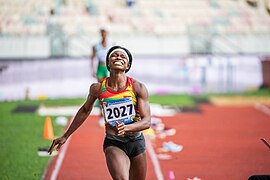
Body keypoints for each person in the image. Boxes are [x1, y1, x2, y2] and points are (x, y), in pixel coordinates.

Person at [48, 45, 151, 180]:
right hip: (114, 143)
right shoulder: (97, 89)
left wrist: (127, 127)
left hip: (136, 141)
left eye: (123, 56)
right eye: (114, 55)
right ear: (107, 63)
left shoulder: (138, 87)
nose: (118, 57)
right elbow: (85, 110)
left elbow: (147, 121)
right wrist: (65, 136)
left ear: (128, 65)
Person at [90, 28, 114, 126]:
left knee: (110, 90)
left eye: (105, 33)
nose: (104, 35)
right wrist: (92, 69)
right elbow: (92, 58)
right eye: (102, 33)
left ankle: (110, 113)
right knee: (101, 91)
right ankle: (101, 114)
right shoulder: (96, 46)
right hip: (100, 67)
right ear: (101, 34)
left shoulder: (111, 44)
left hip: (108, 67)